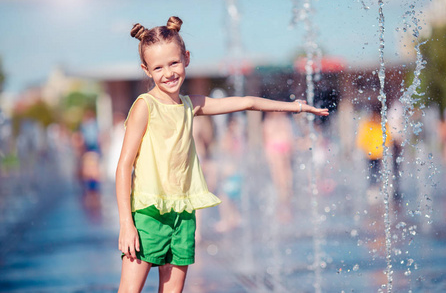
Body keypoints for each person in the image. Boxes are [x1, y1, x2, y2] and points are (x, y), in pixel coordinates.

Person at [116, 16, 329, 293]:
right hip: (147, 213)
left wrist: (297, 107)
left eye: (174, 63)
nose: (168, 72)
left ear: (187, 58)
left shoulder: (191, 105)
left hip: (183, 212)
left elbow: (247, 102)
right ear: (146, 70)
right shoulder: (145, 106)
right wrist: (126, 224)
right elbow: (123, 166)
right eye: (158, 67)